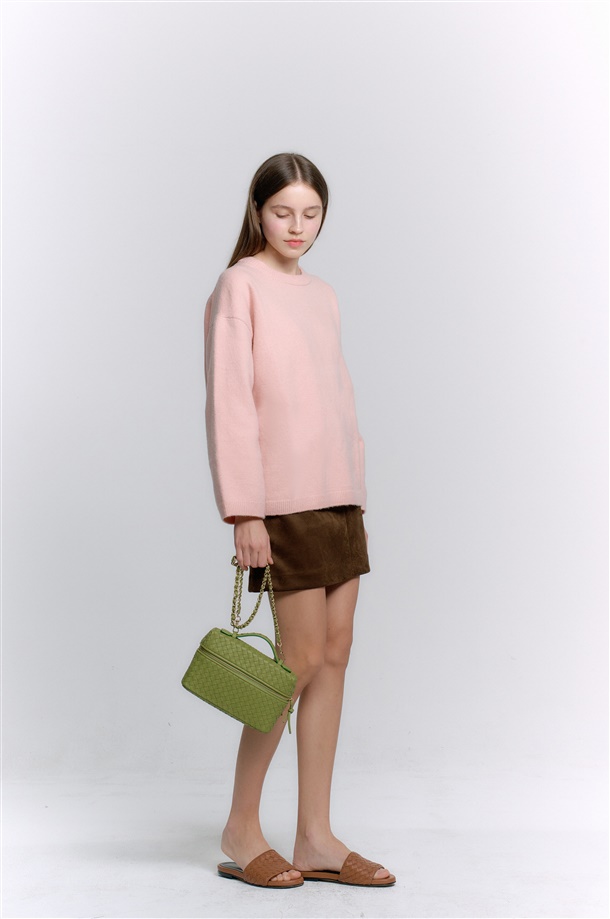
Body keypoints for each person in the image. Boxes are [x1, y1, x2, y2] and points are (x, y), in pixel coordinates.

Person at [203, 153, 395, 890]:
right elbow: (231, 402)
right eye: (283, 211)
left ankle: (315, 834)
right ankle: (241, 825)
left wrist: (356, 484)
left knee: (335, 655)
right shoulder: (240, 285)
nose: (297, 226)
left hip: (340, 495)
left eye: (311, 214)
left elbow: (336, 392)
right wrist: (245, 510)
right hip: (280, 501)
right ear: (258, 211)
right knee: (295, 663)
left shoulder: (323, 295)